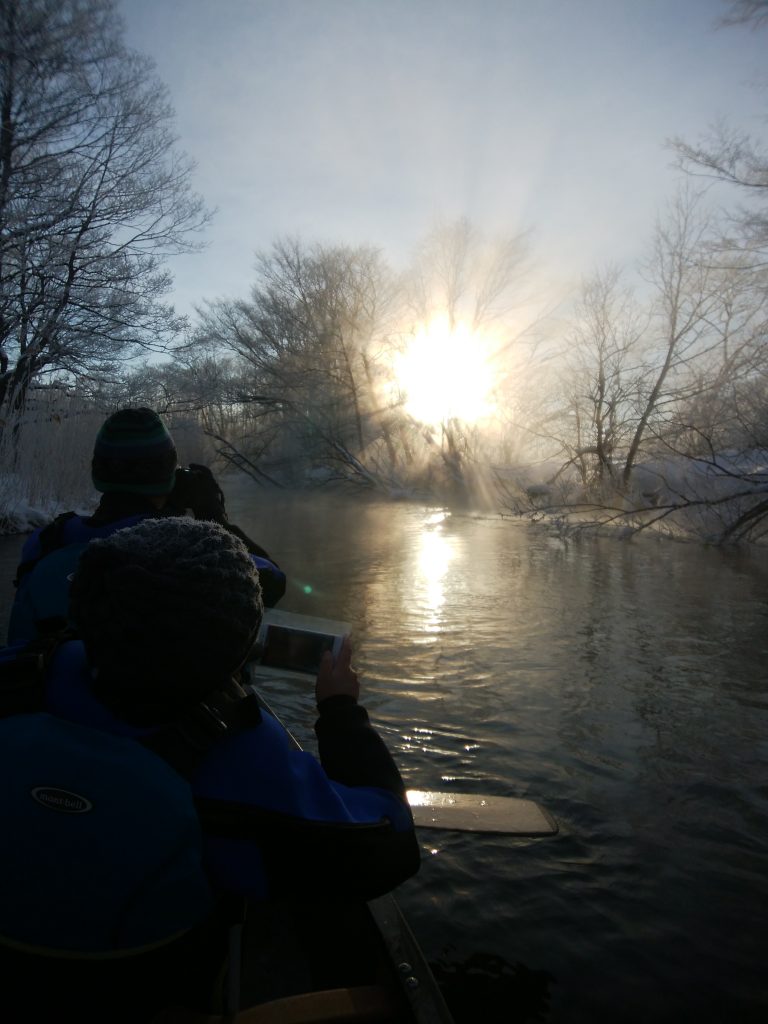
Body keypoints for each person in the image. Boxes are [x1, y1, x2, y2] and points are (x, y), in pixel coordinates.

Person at [1, 517, 419, 1018]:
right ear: (236, 650)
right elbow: (390, 843)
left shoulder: (18, 675)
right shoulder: (235, 754)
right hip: (150, 995)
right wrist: (340, 712)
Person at [8, 407, 285, 643]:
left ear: (98, 472)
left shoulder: (46, 540)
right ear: (170, 474)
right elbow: (270, 582)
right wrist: (213, 516)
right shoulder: (183, 545)